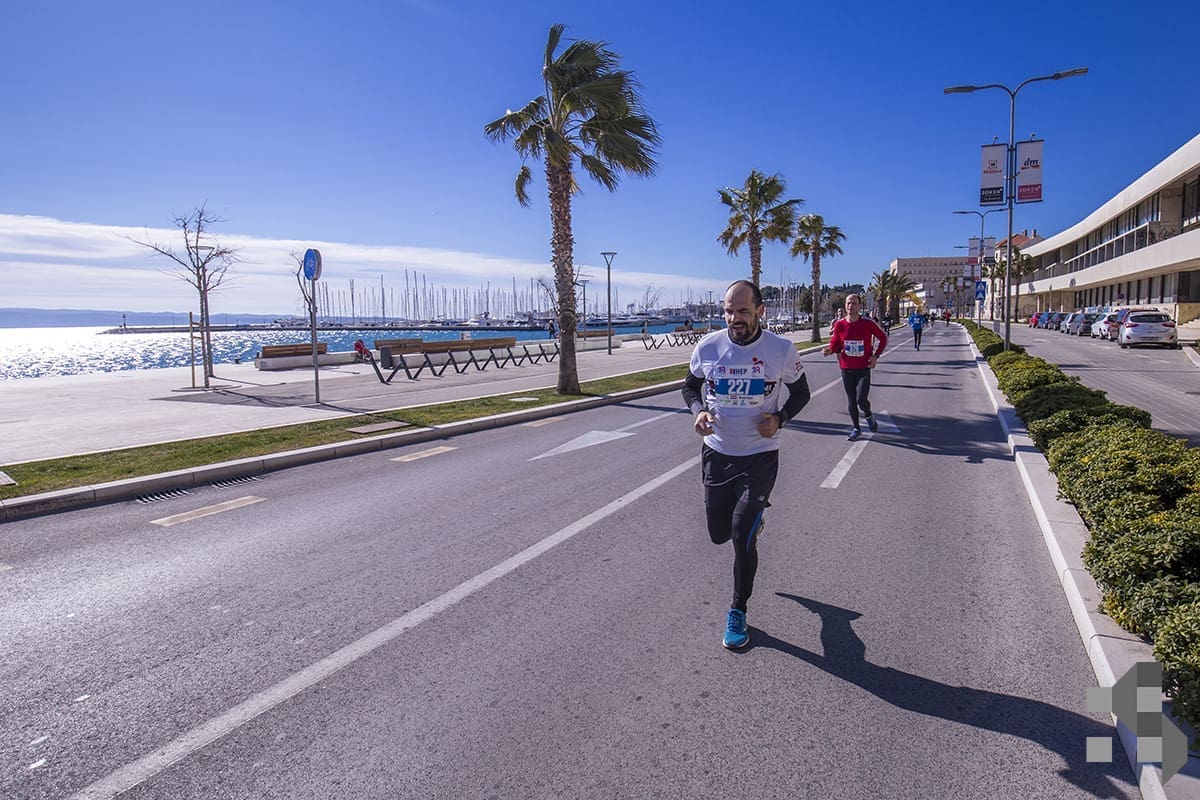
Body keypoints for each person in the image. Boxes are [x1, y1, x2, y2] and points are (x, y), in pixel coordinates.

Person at [682, 279, 811, 650]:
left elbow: (801, 393)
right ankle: (752, 522)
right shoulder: (708, 347)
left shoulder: (781, 350)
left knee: (741, 537)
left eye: (742, 311)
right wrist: (698, 411)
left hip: (760, 456)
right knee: (718, 534)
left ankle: (738, 610)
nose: (734, 318)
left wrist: (780, 418)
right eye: (728, 311)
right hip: (718, 454)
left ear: (760, 311)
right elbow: (689, 387)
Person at [823, 294, 888, 441]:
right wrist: (829, 350)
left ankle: (868, 415)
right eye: (848, 303)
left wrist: (876, 356)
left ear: (859, 306)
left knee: (861, 399)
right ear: (845, 305)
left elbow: (883, 338)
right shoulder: (840, 325)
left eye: (854, 303)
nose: (850, 306)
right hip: (846, 368)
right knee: (851, 400)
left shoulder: (867, 324)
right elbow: (836, 343)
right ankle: (856, 428)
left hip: (863, 367)